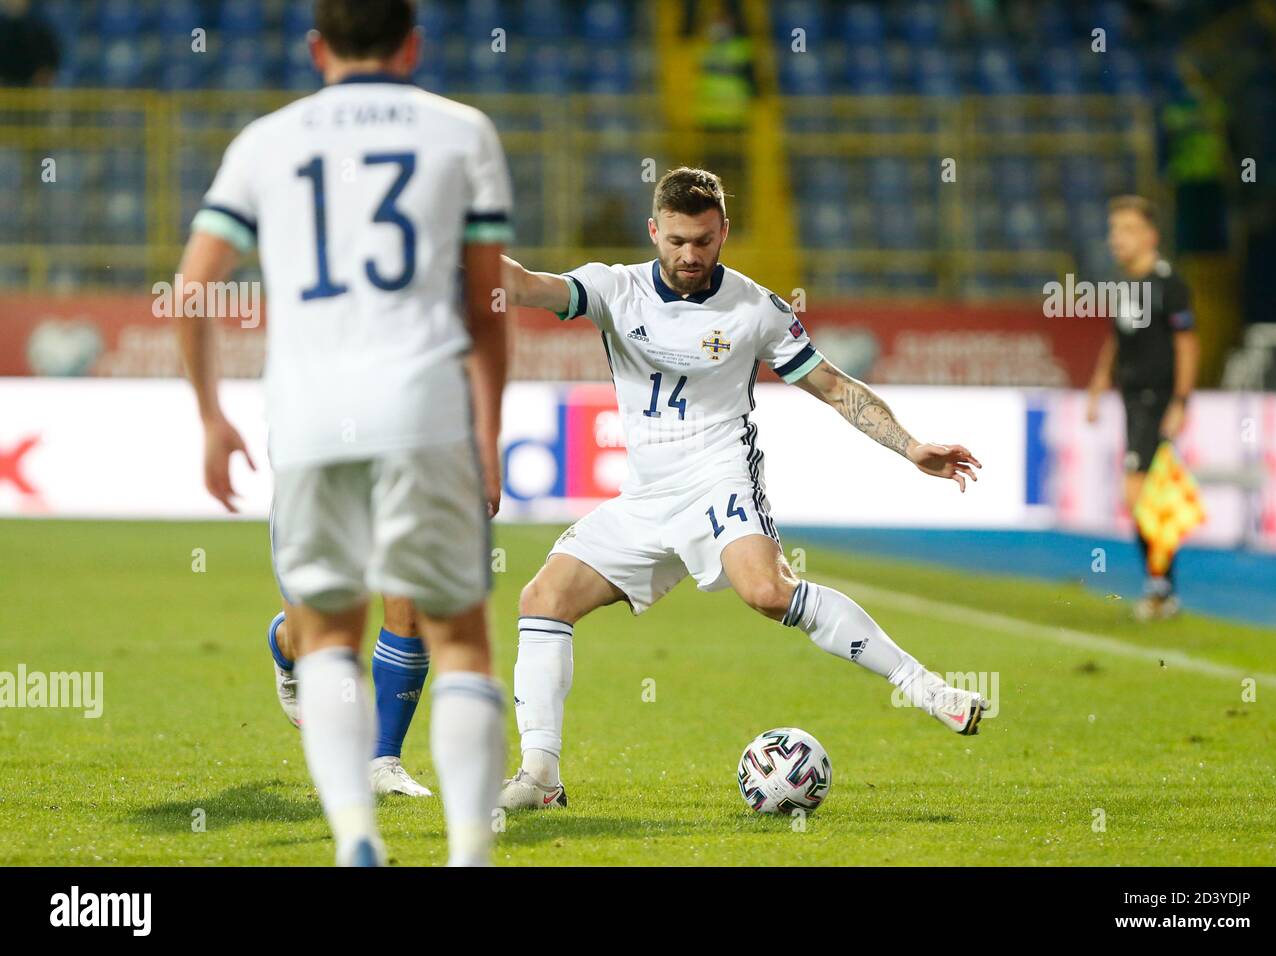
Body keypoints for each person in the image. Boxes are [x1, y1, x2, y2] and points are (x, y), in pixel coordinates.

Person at [496, 167, 986, 811]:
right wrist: (464, 250)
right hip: (645, 494)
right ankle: (540, 777)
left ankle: (928, 690)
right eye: (675, 240)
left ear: (723, 231)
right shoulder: (612, 288)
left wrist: (911, 445)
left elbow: (835, 387)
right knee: (544, 596)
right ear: (654, 230)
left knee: (767, 591)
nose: (688, 254)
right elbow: (528, 286)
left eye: (702, 239)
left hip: (717, 474)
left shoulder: (756, 309)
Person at [175, 0, 511, 864]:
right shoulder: (462, 131)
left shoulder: (265, 141)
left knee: (329, 635)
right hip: (425, 407)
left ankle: (356, 839)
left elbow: (192, 289)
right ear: (414, 46)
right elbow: (486, 306)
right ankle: (469, 851)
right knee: (461, 633)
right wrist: (490, 431)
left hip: (310, 413)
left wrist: (211, 418)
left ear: (317, 47)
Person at [1086, 195, 1199, 621]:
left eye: (1128, 229)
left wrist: (1181, 401)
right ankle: (1161, 586)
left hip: (1156, 399)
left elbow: (1187, 342)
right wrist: (1100, 381)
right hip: (1132, 401)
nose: (1118, 238)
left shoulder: (1168, 283)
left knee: (1138, 495)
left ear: (1150, 236)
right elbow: (1119, 338)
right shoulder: (1123, 284)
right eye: (1115, 230)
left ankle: (1162, 587)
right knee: (1143, 497)